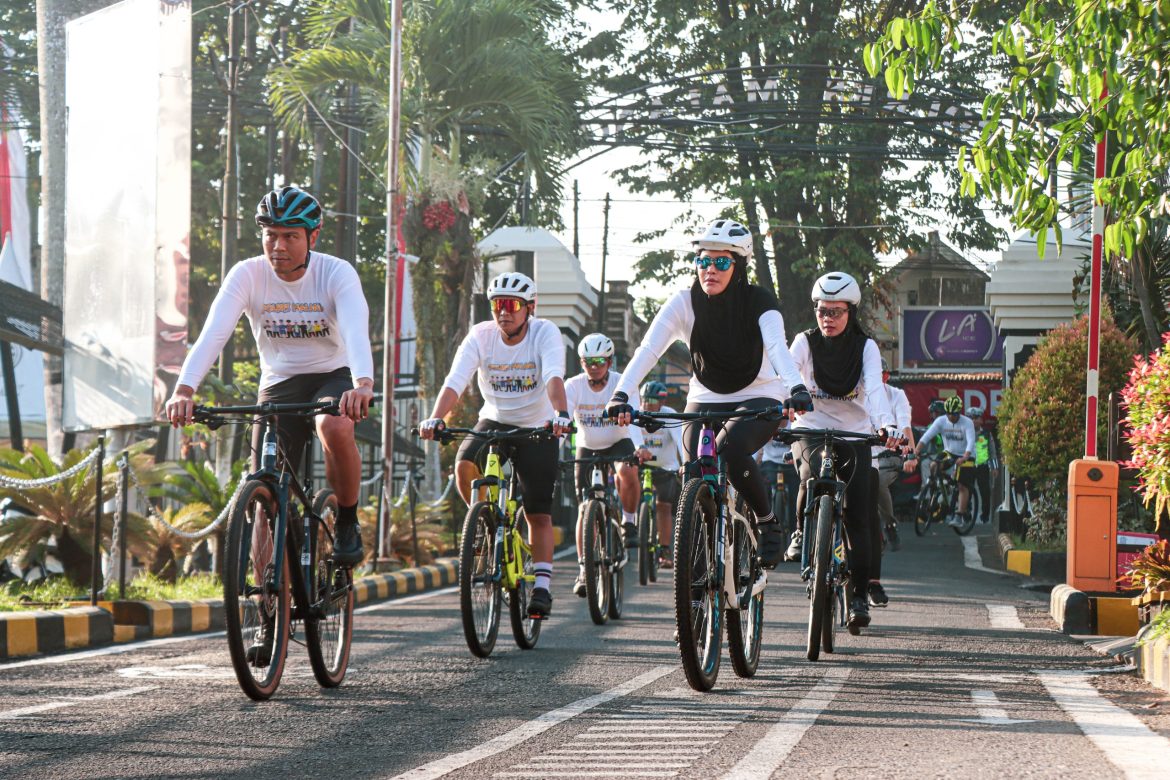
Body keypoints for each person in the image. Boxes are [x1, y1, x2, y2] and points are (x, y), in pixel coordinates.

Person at [165, 186, 374, 568]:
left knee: (334, 427)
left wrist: (363, 384)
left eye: (290, 236)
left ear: (313, 236)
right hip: (278, 381)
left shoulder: (336, 273)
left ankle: (345, 520)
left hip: (333, 374)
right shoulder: (248, 274)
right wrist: (184, 389)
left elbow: (357, 331)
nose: (278, 246)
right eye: (270, 235)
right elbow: (214, 334)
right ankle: (266, 609)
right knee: (263, 493)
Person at [606, 219, 812, 568]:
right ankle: (696, 583)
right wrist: (622, 392)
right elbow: (648, 350)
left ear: (739, 265)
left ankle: (766, 522)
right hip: (705, 396)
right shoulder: (684, 302)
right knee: (693, 474)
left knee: (729, 450)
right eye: (703, 261)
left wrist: (796, 387)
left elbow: (777, 348)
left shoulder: (760, 300)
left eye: (720, 262)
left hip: (759, 394)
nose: (709, 270)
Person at [417, 271, 570, 619]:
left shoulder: (545, 333)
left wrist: (561, 413)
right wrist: (435, 417)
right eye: (498, 305)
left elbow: (553, 377)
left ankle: (543, 587)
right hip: (495, 419)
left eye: (512, 305)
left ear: (529, 308)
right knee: (463, 463)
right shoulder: (481, 336)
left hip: (537, 426)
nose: (504, 312)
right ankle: (484, 523)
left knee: (537, 512)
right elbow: (456, 380)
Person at [786, 271, 898, 631]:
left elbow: (876, 391)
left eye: (836, 312)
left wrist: (886, 425)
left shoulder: (866, 347)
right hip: (811, 429)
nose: (828, 319)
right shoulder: (804, 342)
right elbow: (787, 374)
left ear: (851, 312)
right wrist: (779, 409)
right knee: (810, 472)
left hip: (854, 435)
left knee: (857, 515)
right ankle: (803, 531)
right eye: (822, 311)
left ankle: (859, 595)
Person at [565, 333, 649, 597]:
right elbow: (563, 421)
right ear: (581, 362)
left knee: (627, 470)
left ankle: (628, 521)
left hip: (619, 441)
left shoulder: (622, 383)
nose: (594, 365)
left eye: (600, 360)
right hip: (588, 445)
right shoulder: (573, 386)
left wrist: (639, 448)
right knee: (583, 509)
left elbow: (633, 418)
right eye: (589, 361)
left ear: (610, 361)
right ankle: (583, 569)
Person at [865, 357, 915, 607]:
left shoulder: (896, 396)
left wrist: (911, 453)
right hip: (859, 455)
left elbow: (905, 426)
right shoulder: (856, 393)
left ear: (885, 377)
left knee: (878, 482)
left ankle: (890, 523)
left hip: (887, 457)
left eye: (878, 374)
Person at [909, 396, 977, 527]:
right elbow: (926, 437)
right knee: (933, 465)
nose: (951, 417)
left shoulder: (967, 422)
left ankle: (959, 515)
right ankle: (934, 488)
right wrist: (915, 452)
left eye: (954, 414)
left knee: (962, 485)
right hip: (949, 452)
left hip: (966, 455)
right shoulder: (941, 421)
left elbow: (970, 443)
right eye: (949, 414)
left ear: (959, 412)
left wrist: (964, 457)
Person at [639, 380, 686, 568]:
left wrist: (686, 464)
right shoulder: (637, 413)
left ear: (662, 402)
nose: (647, 403)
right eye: (644, 399)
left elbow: (681, 442)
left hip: (666, 467)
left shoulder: (670, 416)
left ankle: (665, 550)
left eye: (652, 400)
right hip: (641, 465)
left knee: (664, 507)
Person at [968, 406, 999, 524]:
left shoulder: (986, 433)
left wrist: (994, 467)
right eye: (971, 418)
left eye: (976, 418)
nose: (974, 421)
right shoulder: (964, 432)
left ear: (981, 420)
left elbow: (992, 451)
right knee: (967, 491)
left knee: (985, 492)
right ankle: (966, 513)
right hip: (968, 466)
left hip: (982, 466)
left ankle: (985, 515)